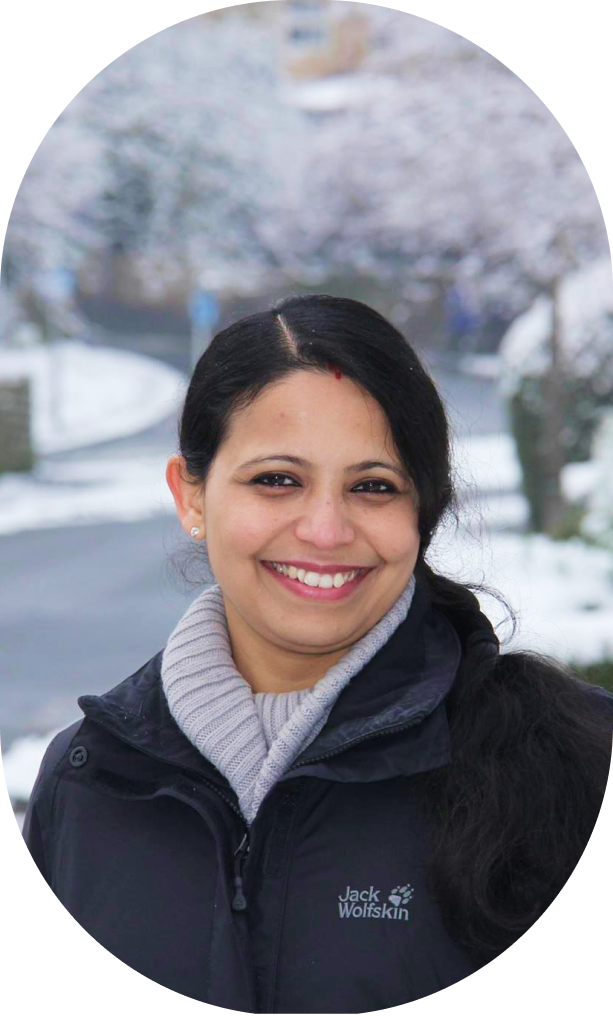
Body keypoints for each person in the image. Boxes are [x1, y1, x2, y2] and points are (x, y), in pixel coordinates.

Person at [22, 294, 612, 1009]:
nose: (325, 531)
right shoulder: (87, 782)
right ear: (192, 496)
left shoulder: (575, 763)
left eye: (373, 486)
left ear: (422, 513)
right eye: (277, 480)